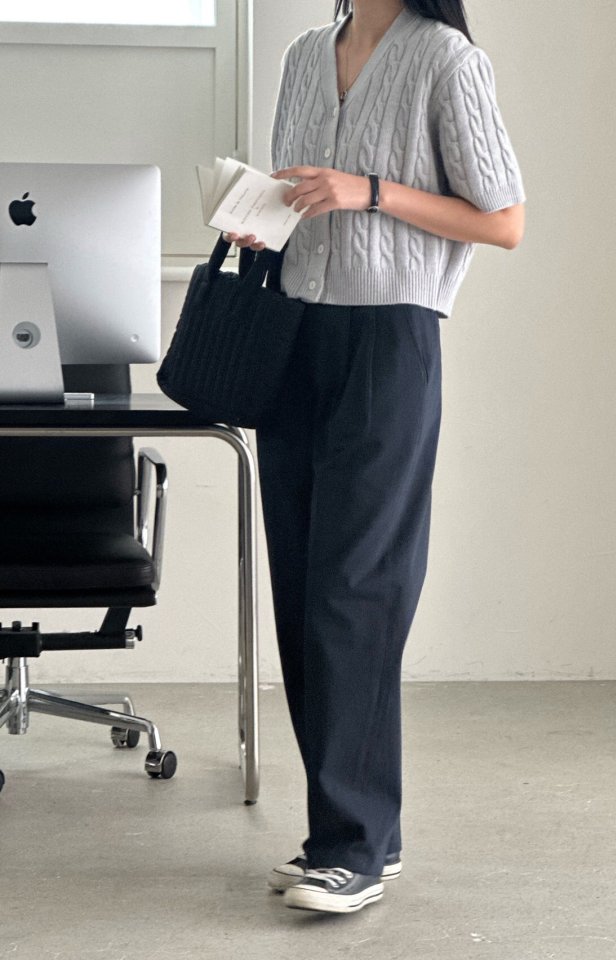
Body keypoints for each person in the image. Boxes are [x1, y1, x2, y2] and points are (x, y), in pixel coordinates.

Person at [224, 0, 526, 915]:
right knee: (301, 586)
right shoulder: (304, 56)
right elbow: (306, 200)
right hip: (292, 334)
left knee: (355, 591)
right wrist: (262, 219)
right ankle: (360, 837)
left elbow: (505, 220)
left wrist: (369, 191)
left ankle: (348, 847)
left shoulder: (445, 59)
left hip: (388, 340)